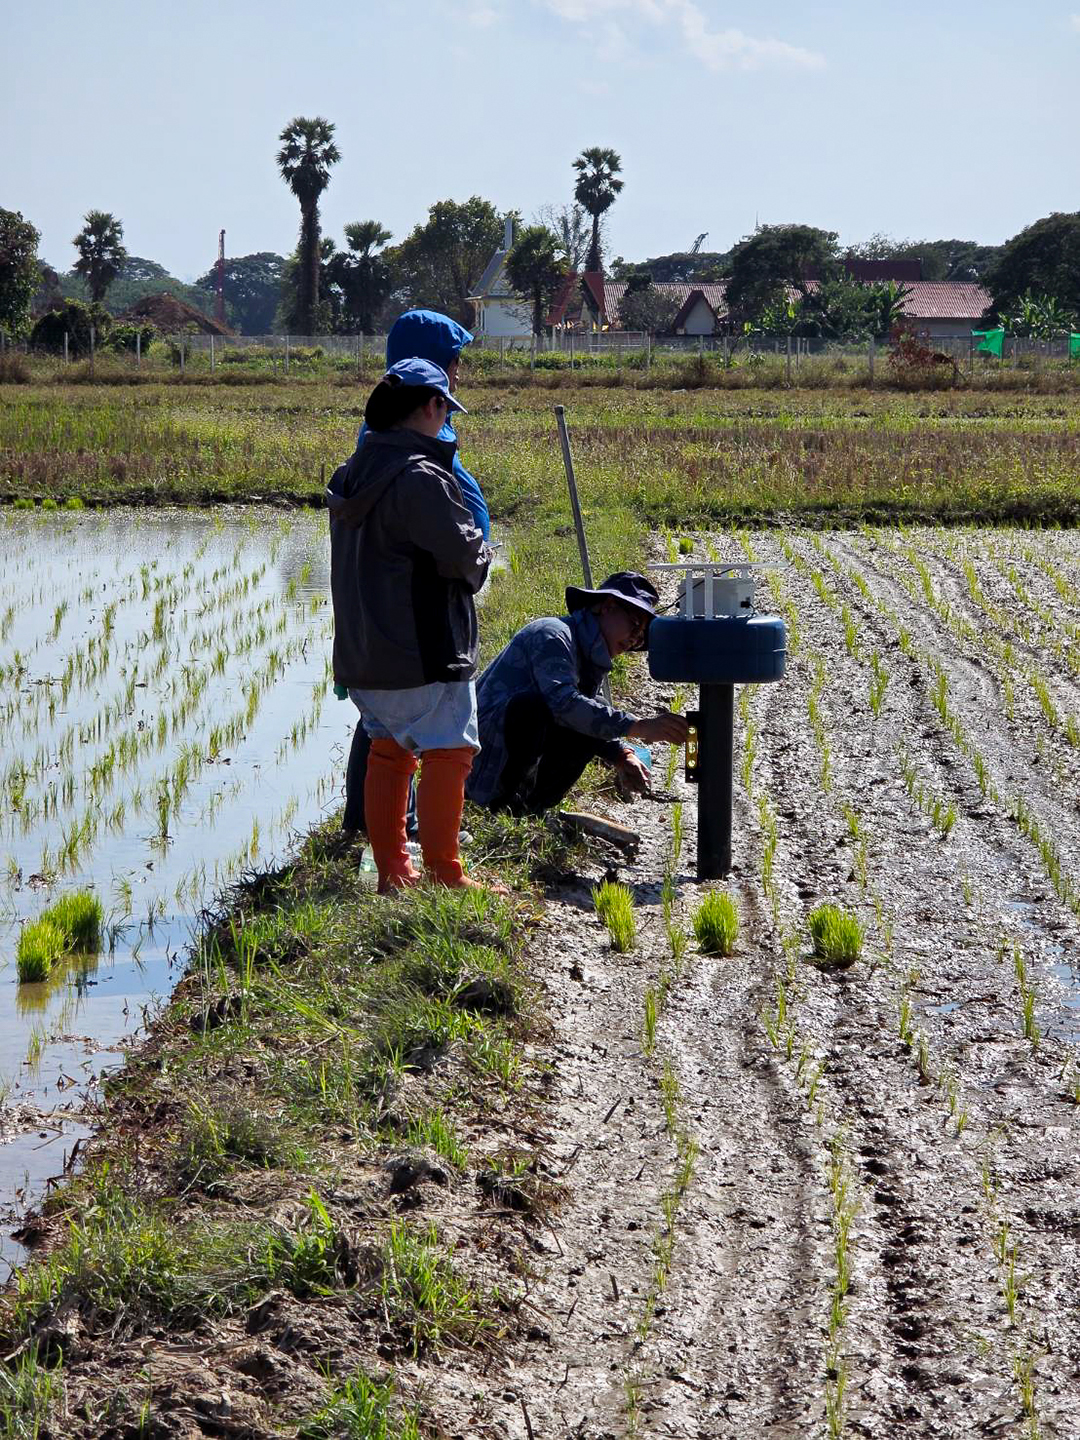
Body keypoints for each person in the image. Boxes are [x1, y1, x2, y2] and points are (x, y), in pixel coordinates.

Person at [327, 358, 491, 892]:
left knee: (389, 749)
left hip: (364, 656)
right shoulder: (419, 477)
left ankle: (394, 873)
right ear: (431, 406)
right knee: (451, 747)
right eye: (445, 410)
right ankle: (446, 874)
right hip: (421, 650)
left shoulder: (352, 472)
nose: (446, 423)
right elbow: (464, 555)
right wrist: (482, 552)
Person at [466, 572, 689, 815]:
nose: (635, 640)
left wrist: (620, 754)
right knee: (533, 708)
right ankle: (504, 802)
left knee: (594, 708)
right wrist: (640, 727)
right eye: (635, 625)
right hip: (479, 760)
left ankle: (529, 808)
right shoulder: (553, 635)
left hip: (508, 751)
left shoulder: (590, 654)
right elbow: (563, 705)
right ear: (608, 607)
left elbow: (586, 714)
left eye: (640, 638)